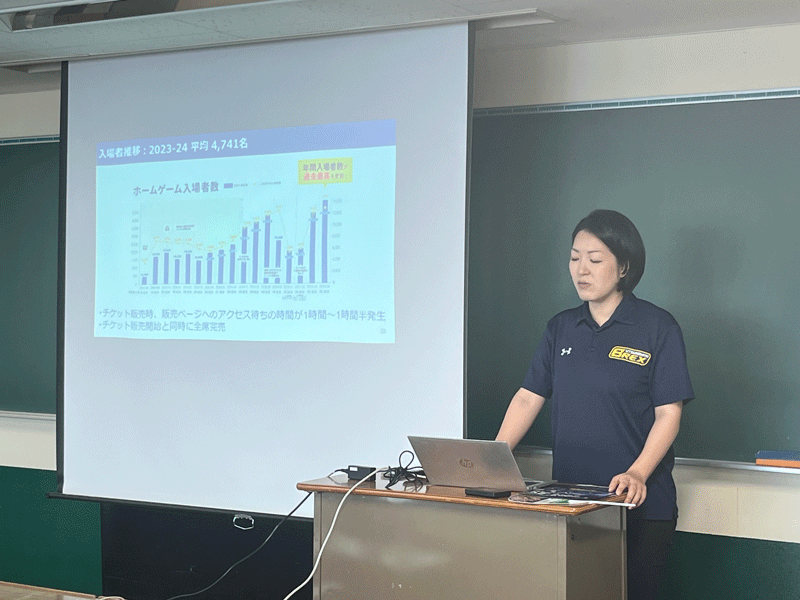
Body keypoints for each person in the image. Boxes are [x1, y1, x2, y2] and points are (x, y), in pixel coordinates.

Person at [496, 209, 693, 600]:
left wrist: (637, 473)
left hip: (638, 505)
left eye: (595, 259)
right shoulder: (560, 328)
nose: (581, 269)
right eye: (574, 258)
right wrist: (493, 459)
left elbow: (669, 413)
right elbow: (527, 398)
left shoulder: (658, 327)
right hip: (572, 502)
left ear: (624, 267)